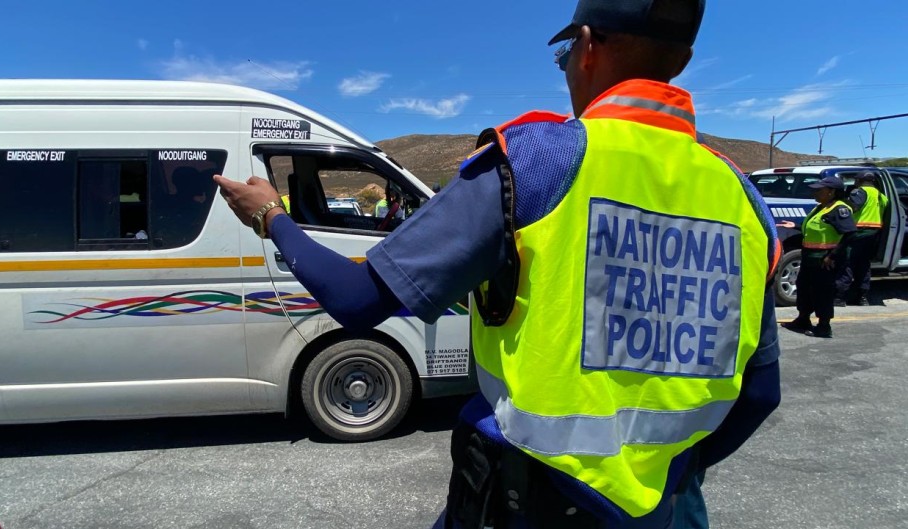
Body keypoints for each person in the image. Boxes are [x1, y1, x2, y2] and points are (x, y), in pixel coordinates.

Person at [214, 0, 782, 526]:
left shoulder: (534, 161)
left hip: (529, 501)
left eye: (564, 54)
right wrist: (670, 471)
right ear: (680, 61)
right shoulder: (742, 198)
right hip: (675, 505)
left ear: (586, 46)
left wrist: (272, 218)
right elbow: (759, 393)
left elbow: (357, 300)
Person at [782, 176, 856, 338]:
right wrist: (795, 226)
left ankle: (824, 326)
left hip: (824, 260)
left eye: (819, 190)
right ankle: (803, 319)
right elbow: (816, 229)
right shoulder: (821, 207)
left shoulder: (839, 209)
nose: (814, 192)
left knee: (822, 292)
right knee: (804, 288)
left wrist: (832, 256)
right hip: (810, 257)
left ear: (831, 192)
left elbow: (849, 234)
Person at [837, 169, 889, 306]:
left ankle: (840, 297)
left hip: (857, 231)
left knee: (847, 263)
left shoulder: (859, 192)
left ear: (859, 181)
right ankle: (862, 297)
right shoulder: (880, 195)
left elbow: (854, 206)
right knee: (863, 265)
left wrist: (840, 200)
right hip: (873, 233)